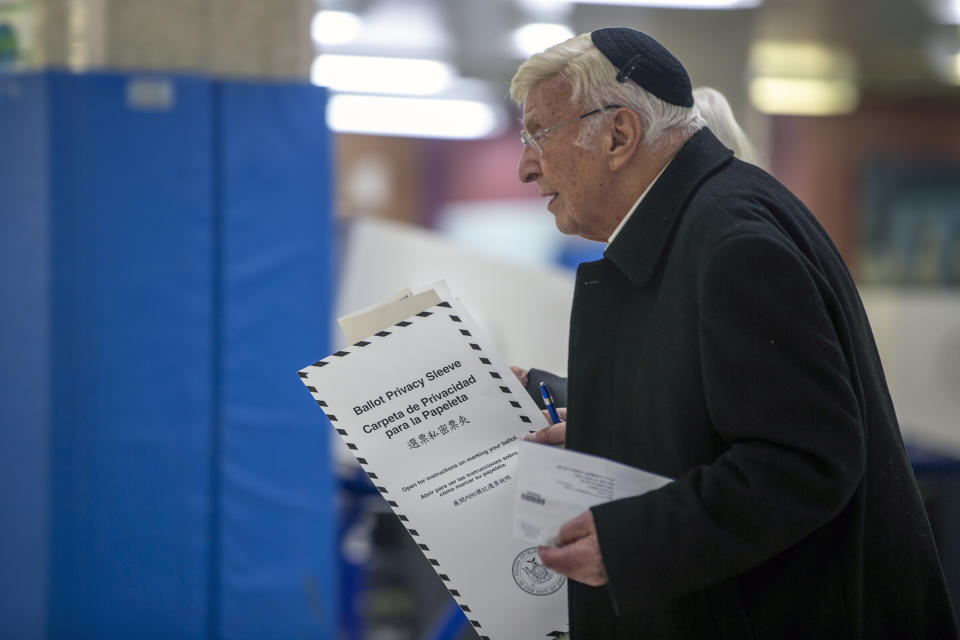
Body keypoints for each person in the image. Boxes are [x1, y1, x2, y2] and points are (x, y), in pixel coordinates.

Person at [509, 27, 958, 638]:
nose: (525, 166)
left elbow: (802, 460)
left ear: (618, 135)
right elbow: (710, 409)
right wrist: (581, 415)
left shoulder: (732, 241)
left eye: (538, 133)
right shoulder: (699, 224)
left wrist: (630, 543)